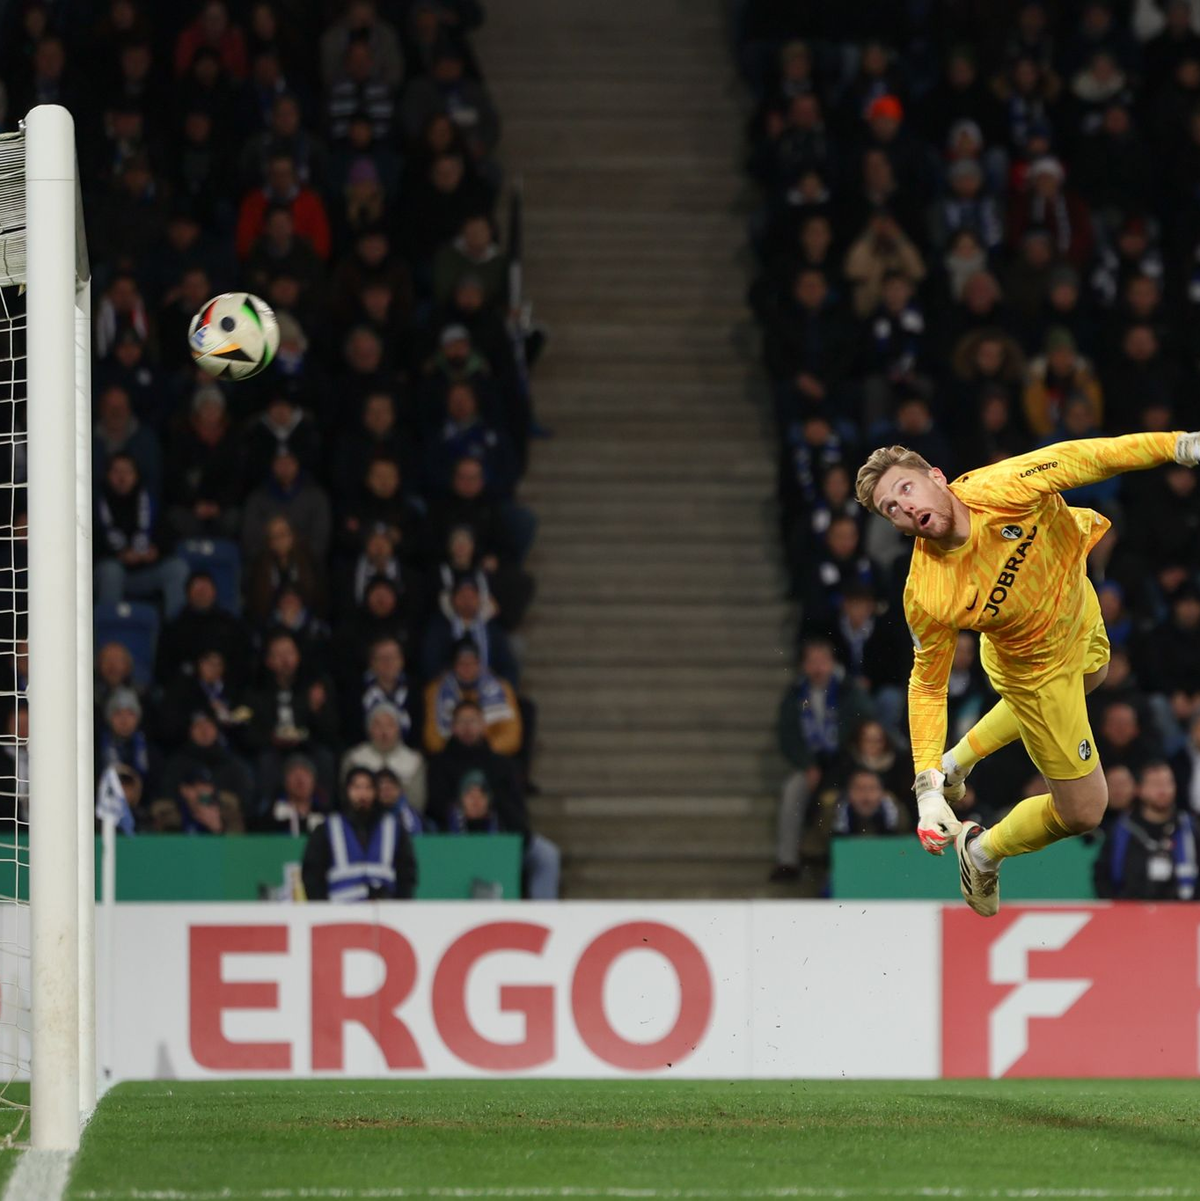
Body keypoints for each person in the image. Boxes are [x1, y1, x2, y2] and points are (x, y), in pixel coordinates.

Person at [855, 429, 1200, 915]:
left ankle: (958, 761)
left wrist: (1177, 445)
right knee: (1085, 811)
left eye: (906, 488)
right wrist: (927, 790)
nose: (905, 507)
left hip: (1074, 603)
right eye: (890, 508)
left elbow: (1090, 456)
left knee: (1096, 676)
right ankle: (982, 851)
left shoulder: (1005, 487)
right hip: (1036, 676)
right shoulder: (929, 592)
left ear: (937, 477)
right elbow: (927, 685)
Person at [301, 766, 416, 901]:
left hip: (384, 909)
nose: (362, 794)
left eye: (368, 787)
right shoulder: (327, 829)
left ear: (375, 792)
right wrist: (322, 908)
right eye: (356, 787)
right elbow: (313, 875)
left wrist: (400, 906)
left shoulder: (394, 829)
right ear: (346, 791)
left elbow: (406, 874)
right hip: (340, 909)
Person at [1094, 760, 1197, 900]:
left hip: (1183, 910)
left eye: (1168, 783)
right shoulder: (1121, 830)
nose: (1163, 790)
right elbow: (1102, 876)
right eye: (1155, 784)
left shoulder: (1189, 829)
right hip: (1129, 910)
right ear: (1139, 789)